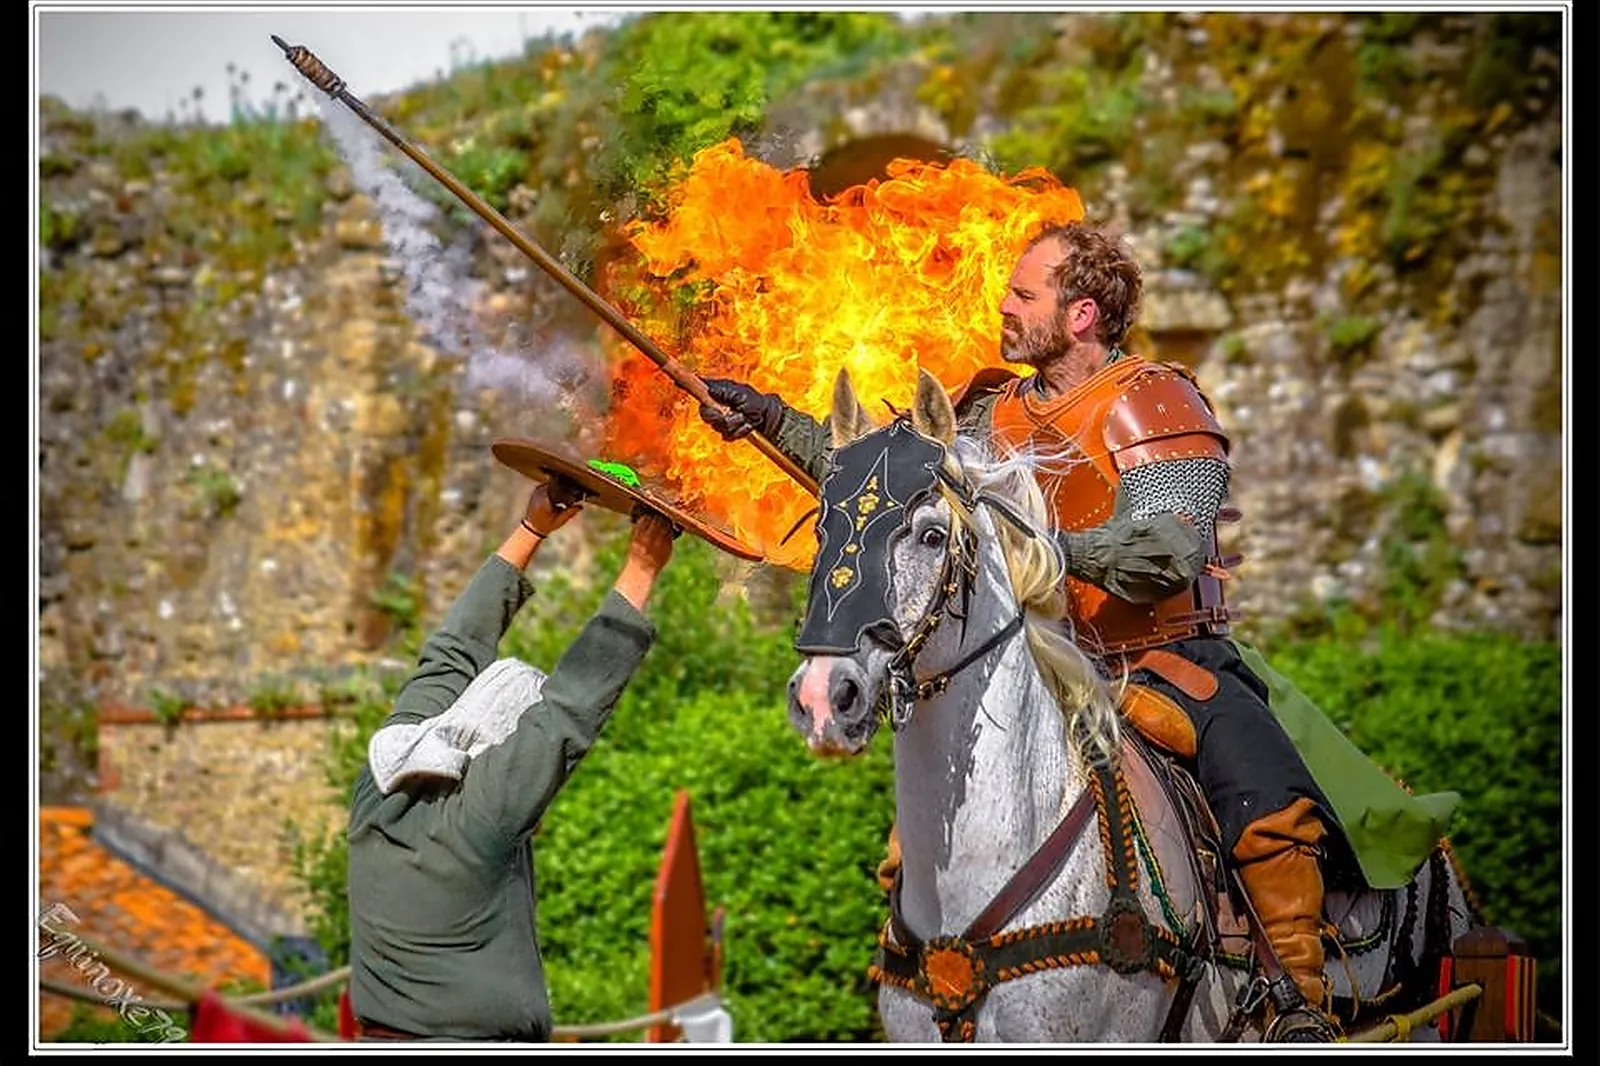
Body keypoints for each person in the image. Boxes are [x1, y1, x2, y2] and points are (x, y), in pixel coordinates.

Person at [696, 220, 1351, 1042]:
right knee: (915, 835)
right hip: (1033, 663)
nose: (1002, 305)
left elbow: (1172, 546)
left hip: (1159, 661)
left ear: (1081, 314)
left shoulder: (1153, 400)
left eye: (1022, 293)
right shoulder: (985, 413)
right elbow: (893, 488)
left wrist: (1045, 546)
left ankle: (1297, 999)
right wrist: (764, 420)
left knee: (1265, 798)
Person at [346, 477, 678, 1042]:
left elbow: (453, 652)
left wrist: (532, 529)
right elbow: (569, 710)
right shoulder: (481, 816)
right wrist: (642, 568)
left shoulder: (385, 769)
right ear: (492, 753)